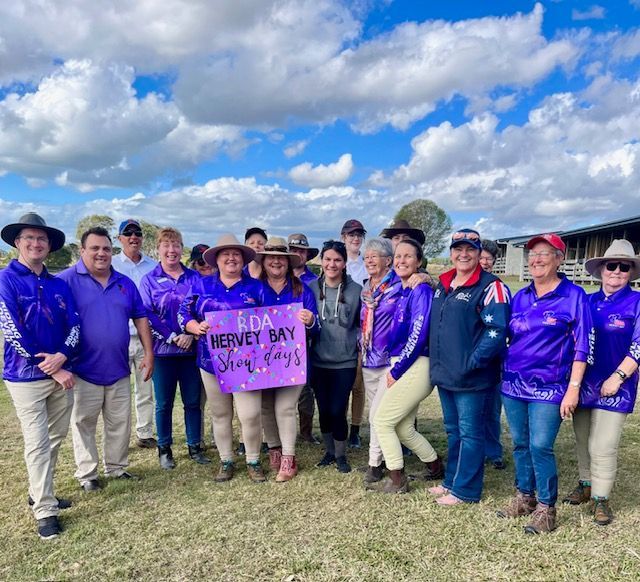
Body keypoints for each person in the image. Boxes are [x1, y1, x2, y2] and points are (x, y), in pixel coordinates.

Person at [498, 233, 592, 534]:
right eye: (533, 254)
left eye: (544, 253)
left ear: (559, 259)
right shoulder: (521, 296)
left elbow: (582, 347)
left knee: (540, 445)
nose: (536, 259)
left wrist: (573, 388)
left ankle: (546, 509)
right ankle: (525, 497)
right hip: (513, 384)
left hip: (550, 387)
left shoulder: (574, 295)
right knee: (520, 443)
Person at [0, 213, 79, 540]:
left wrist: (63, 355)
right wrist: (52, 365)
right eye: (29, 238)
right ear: (18, 242)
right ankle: (45, 510)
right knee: (37, 441)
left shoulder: (59, 283)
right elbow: (11, 329)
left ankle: (40, 490)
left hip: (61, 375)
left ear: (49, 246)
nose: (35, 244)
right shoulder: (6, 279)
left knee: (56, 438)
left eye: (41, 239)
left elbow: (75, 326)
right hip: (24, 377)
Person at [59, 227, 153, 493]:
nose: (101, 253)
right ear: (82, 250)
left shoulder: (125, 283)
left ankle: (117, 467)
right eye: (95, 248)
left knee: (119, 422)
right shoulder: (66, 281)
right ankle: (88, 474)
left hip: (118, 367)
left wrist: (148, 352)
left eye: (105, 249)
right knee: (84, 424)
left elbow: (141, 317)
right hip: (82, 369)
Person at [429, 229, 510, 506]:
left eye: (470, 250)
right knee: (453, 430)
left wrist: (472, 362)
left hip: (472, 377)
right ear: (451, 252)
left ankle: (466, 491)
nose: (463, 255)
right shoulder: (444, 284)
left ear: (479, 253)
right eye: (458, 249)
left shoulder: (491, 286)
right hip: (446, 374)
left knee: (470, 432)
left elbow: (497, 331)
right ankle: (451, 481)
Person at [562, 239, 640, 525]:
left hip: (617, 386)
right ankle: (586, 484)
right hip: (583, 382)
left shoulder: (637, 302)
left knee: (603, 445)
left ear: (631, 272)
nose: (617, 271)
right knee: (582, 439)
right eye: (612, 265)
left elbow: (639, 346)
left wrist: (618, 377)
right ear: (602, 269)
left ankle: (601, 498)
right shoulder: (587, 301)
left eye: (624, 266)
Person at [179, 234, 266, 483]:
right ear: (216, 259)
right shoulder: (201, 285)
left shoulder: (256, 288)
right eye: (225, 254)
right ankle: (226, 460)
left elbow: (273, 320)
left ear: (243, 259)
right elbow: (183, 312)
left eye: (236, 254)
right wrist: (193, 326)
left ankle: (253, 459)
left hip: (247, 362)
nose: (231, 258)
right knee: (220, 413)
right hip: (210, 361)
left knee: (250, 414)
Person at [365, 239, 443, 494]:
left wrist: (396, 371)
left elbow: (418, 335)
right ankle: (434, 466)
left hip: (415, 363)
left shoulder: (421, 290)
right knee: (403, 426)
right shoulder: (407, 289)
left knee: (382, 420)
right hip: (404, 361)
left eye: (408, 256)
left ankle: (397, 479)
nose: (401, 260)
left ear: (419, 261)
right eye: (398, 256)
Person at [140, 228, 210, 470]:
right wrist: (172, 336)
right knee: (164, 403)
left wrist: (191, 333)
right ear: (158, 249)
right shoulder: (148, 279)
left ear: (182, 248)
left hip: (191, 350)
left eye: (176, 245)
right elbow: (147, 314)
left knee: (192, 402)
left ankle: (194, 446)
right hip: (163, 352)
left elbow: (200, 310)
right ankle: (165, 448)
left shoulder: (195, 278)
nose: (171, 250)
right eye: (166, 245)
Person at [257, 237, 319, 482]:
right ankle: (274, 448)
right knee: (265, 407)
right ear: (263, 261)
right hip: (261, 361)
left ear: (288, 261)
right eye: (270, 257)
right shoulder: (254, 289)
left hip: (293, 360)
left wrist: (310, 320)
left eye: (280, 257)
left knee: (284, 407)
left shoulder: (303, 290)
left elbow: (316, 329)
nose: (275, 261)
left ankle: (289, 458)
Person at [308, 240, 361, 473]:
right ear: (321, 260)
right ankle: (329, 451)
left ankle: (341, 454)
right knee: (324, 409)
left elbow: (364, 325)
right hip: (318, 360)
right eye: (327, 259)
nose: (332, 264)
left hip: (345, 361)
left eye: (337, 260)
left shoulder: (357, 290)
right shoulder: (309, 289)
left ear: (344, 262)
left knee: (338, 409)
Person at [359, 237, 403, 483]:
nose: (369, 260)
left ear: (388, 260)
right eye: (366, 257)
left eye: (374, 256)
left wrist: (426, 277)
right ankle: (386, 458)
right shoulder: (366, 288)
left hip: (390, 360)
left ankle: (374, 463)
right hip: (368, 358)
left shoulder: (401, 285)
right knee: (374, 413)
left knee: (378, 415)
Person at [112, 218, 157, 449]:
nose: (133, 237)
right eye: (127, 233)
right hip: (117, 337)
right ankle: (119, 439)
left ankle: (145, 432)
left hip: (145, 336)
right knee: (118, 393)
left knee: (145, 388)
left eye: (137, 233)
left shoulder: (152, 265)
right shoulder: (110, 264)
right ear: (119, 238)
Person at [288, 232, 321, 445]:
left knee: (306, 390)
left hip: (306, 343)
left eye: (301, 250)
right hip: (279, 343)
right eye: (293, 250)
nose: (297, 254)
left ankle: (306, 432)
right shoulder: (276, 277)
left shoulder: (315, 281)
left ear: (307, 255)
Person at [479, 239, 506, 470]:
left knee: (492, 406)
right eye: (482, 257)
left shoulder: (498, 287)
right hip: (470, 356)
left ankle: (493, 451)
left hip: (493, 357)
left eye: (490, 258)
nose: (485, 262)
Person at [340, 219, 367, 447]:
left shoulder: (367, 264)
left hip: (362, 331)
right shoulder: (337, 263)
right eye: (351, 235)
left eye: (359, 235)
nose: (355, 238)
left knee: (358, 385)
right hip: (339, 331)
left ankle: (355, 429)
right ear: (343, 237)